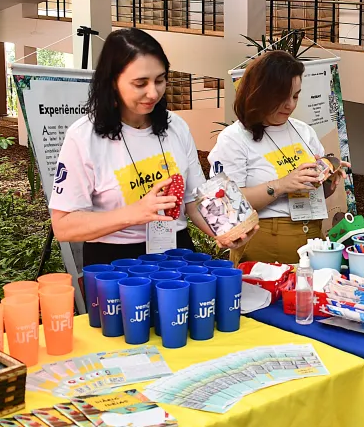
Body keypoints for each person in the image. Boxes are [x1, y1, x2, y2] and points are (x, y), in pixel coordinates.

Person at [49, 28, 252, 266]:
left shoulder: (176, 126)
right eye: (140, 83)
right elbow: (63, 226)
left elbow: (194, 200)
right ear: (112, 81)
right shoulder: (84, 136)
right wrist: (133, 214)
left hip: (177, 255)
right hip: (116, 264)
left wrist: (228, 229)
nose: (153, 92)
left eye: (160, 80)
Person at [208, 50, 347, 265]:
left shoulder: (304, 131)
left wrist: (328, 179)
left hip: (312, 237)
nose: (290, 105)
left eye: (296, 95)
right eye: (282, 97)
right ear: (260, 93)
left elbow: (319, 193)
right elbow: (225, 205)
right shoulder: (234, 138)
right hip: (262, 243)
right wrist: (281, 185)